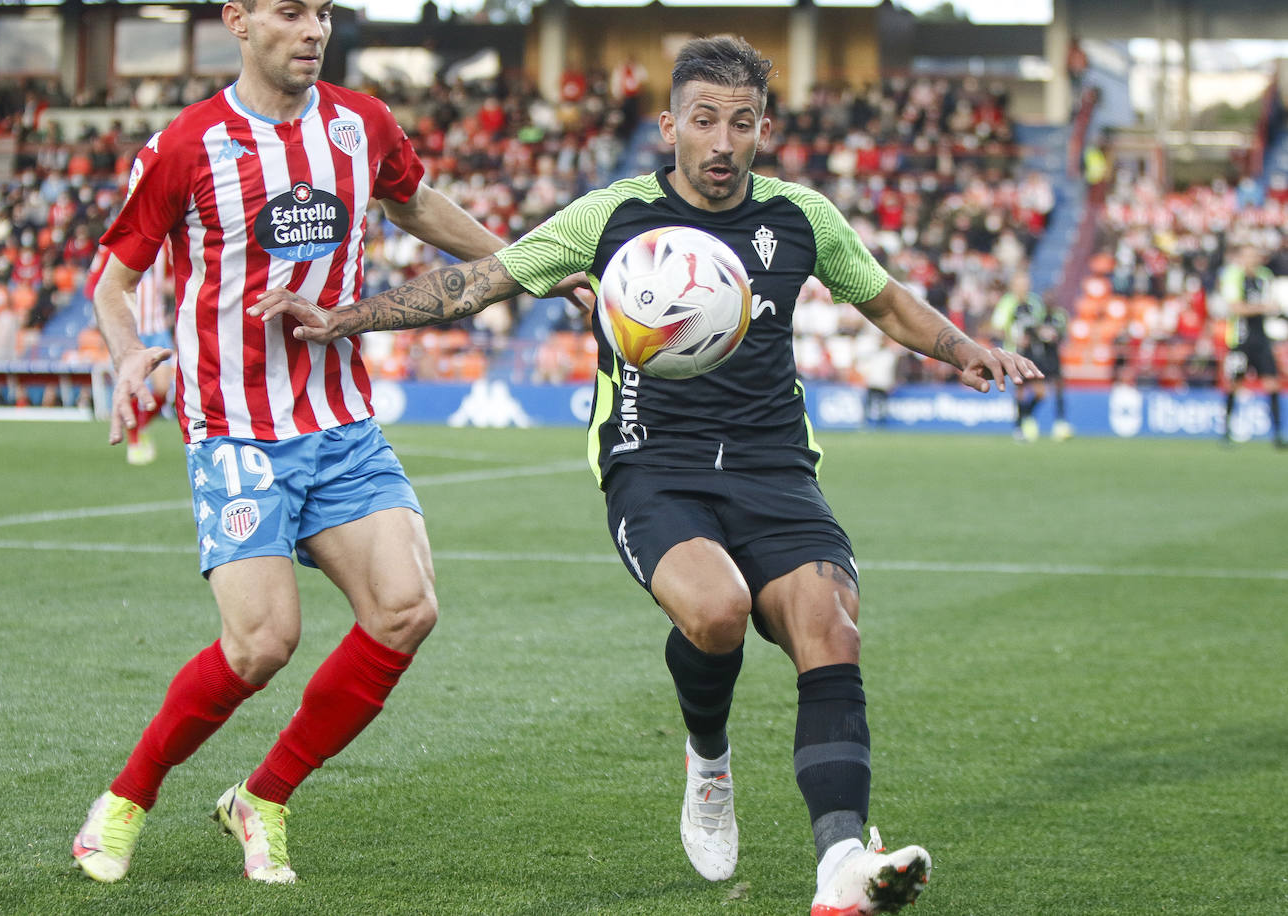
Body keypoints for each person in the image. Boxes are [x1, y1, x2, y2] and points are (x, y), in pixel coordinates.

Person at [253, 35, 1041, 914]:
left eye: (741, 123)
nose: (721, 142)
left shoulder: (799, 219)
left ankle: (842, 864)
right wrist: (343, 319)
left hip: (776, 468)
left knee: (832, 627)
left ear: (763, 130)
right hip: (652, 466)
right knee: (716, 612)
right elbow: (480, 283)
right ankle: (709, 757)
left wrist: (962, 347)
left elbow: (885, 298)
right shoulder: (610, 218)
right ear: (670, 124)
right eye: (703, 120)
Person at [71, 0, 531, 885]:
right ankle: (127, 797)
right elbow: (114, 278)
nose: (314, 29)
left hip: (341, 423)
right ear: (239, 20)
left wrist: (529, 266)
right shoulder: (186, 145)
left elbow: (419, 204)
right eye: (292, 12)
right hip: (235, 427)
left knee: (406, 608)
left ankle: (264, 796)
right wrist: (130, 356)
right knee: (261, 644)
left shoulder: (363, 125)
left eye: (323, 12)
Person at [84, 245, 174, 465]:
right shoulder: (113, 245)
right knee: (133, 389)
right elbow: (93, 286)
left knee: (163, 388)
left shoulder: (165, 245)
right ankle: (134, 442)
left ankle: (140, 426)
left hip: (158, 328)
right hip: (131, 330)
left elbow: (172, 280)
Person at [991, 272, 1071, 441]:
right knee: (1020, 390)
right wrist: (1014, 338)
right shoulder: (1007, 303)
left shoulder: (1034, 302)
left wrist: (1044, 333)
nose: (1024, 287)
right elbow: (996, 328)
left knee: (1040, 392)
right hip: (1014, 353)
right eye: (1020, 283)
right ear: (1013, 285)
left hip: (1035, 353)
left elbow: (1041, 323)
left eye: (1026, 283)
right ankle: (1019, 428)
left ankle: (1025, 417)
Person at [1218, 245, 1283, 447]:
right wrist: (1263, 307)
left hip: (1262, 339)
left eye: (1255, 255)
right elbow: (1235, 307)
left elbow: (1274, 302)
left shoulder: (1265, 276)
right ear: (1240, 257)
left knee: (1272, 384)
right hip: (1240, 340)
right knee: (1235, 385)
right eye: (1248, 255)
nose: (1252, 259)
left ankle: (1278, 434)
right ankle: (1226, 431)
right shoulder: (1233, 276)